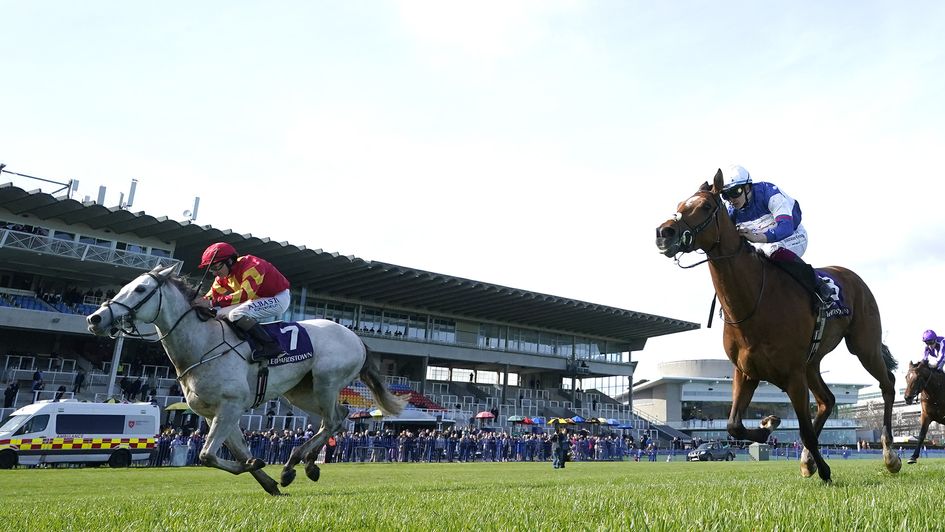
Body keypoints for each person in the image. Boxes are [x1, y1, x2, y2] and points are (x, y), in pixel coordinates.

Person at [720, 164, 834, 307]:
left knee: (772, 250)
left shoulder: (769, 192)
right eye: (726, 195)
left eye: (735, 192)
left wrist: (756, 237)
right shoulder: (732, 211)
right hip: (765, 243)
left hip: (794, 236)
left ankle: (819, 286)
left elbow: (786, 228)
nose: (731, 199)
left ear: (747, 187)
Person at [194, 242, 291, 363]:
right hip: (255, 299)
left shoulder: (252, 266)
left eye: (215, 267)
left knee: (236, 314)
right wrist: (196, 302)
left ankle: (272, 346)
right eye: (210, 269)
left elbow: (245, 295)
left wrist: (211, 303)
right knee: (218, 314)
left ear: (229, 261)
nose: (214, 273)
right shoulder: (222, 278)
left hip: (278, 298)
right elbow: (211, 296)